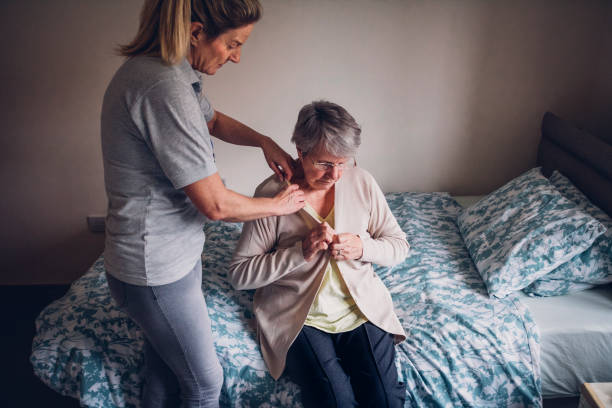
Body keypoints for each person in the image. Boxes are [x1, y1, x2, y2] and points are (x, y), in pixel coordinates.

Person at [100, 0, 305, 407]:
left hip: (163, 256)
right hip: (155, 267)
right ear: (196, 32)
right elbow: (214, 204)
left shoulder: (171, 73)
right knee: (205, 384)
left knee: (165, 367)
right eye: (232, 44)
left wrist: (262, 140)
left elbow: (209, 120)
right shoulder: (162, 87)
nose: (237, 57)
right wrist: (279, 206)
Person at [228, 101, 409, 407]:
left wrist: (363, 246)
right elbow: (240, 274)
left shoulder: (362, 181)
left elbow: (399, 245)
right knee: (336, 400)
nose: (335, 174)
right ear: (301, 150)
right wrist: (301, 252)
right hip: (299, 315)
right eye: (325, 163)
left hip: (360, 308)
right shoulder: (273, 195)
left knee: (386, 398)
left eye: (343, 163)